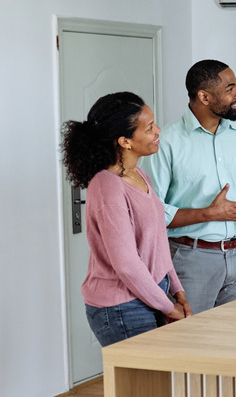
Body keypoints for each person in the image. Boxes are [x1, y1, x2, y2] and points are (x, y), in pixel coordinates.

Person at [60, 92, 192, 347]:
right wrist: (168, 306)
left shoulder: (139, 174)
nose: (158, 131)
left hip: (152, 294)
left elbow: (157, 242)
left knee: (157, 385)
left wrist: (178, 290)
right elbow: (127, 264)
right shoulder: (107, 186)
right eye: (150, 127)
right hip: (122, 306)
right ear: (125, 141)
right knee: (144, 386)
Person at [141, 59, 236, 315]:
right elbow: (151, 209)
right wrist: (209, 214)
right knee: (189, 344)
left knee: (231, 343)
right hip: (190, 259)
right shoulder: (166, 142)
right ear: (204, 97)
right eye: (230, 88)